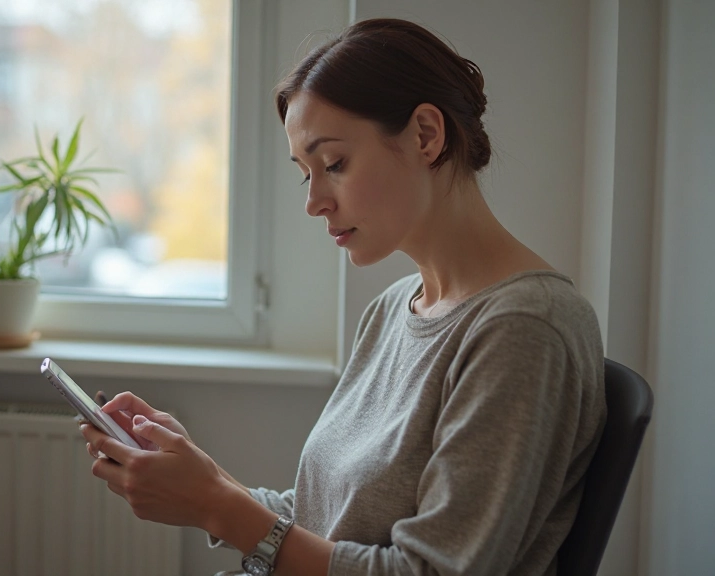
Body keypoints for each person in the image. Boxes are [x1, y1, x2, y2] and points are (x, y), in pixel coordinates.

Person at [79, 17, 606, 576]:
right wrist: (203, 480)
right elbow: (326, 520)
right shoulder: (392, 310)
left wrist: (216, 505)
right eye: (307, 174)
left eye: (333, 163)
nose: (315, 202)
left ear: (426, 135)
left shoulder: (525, 328)